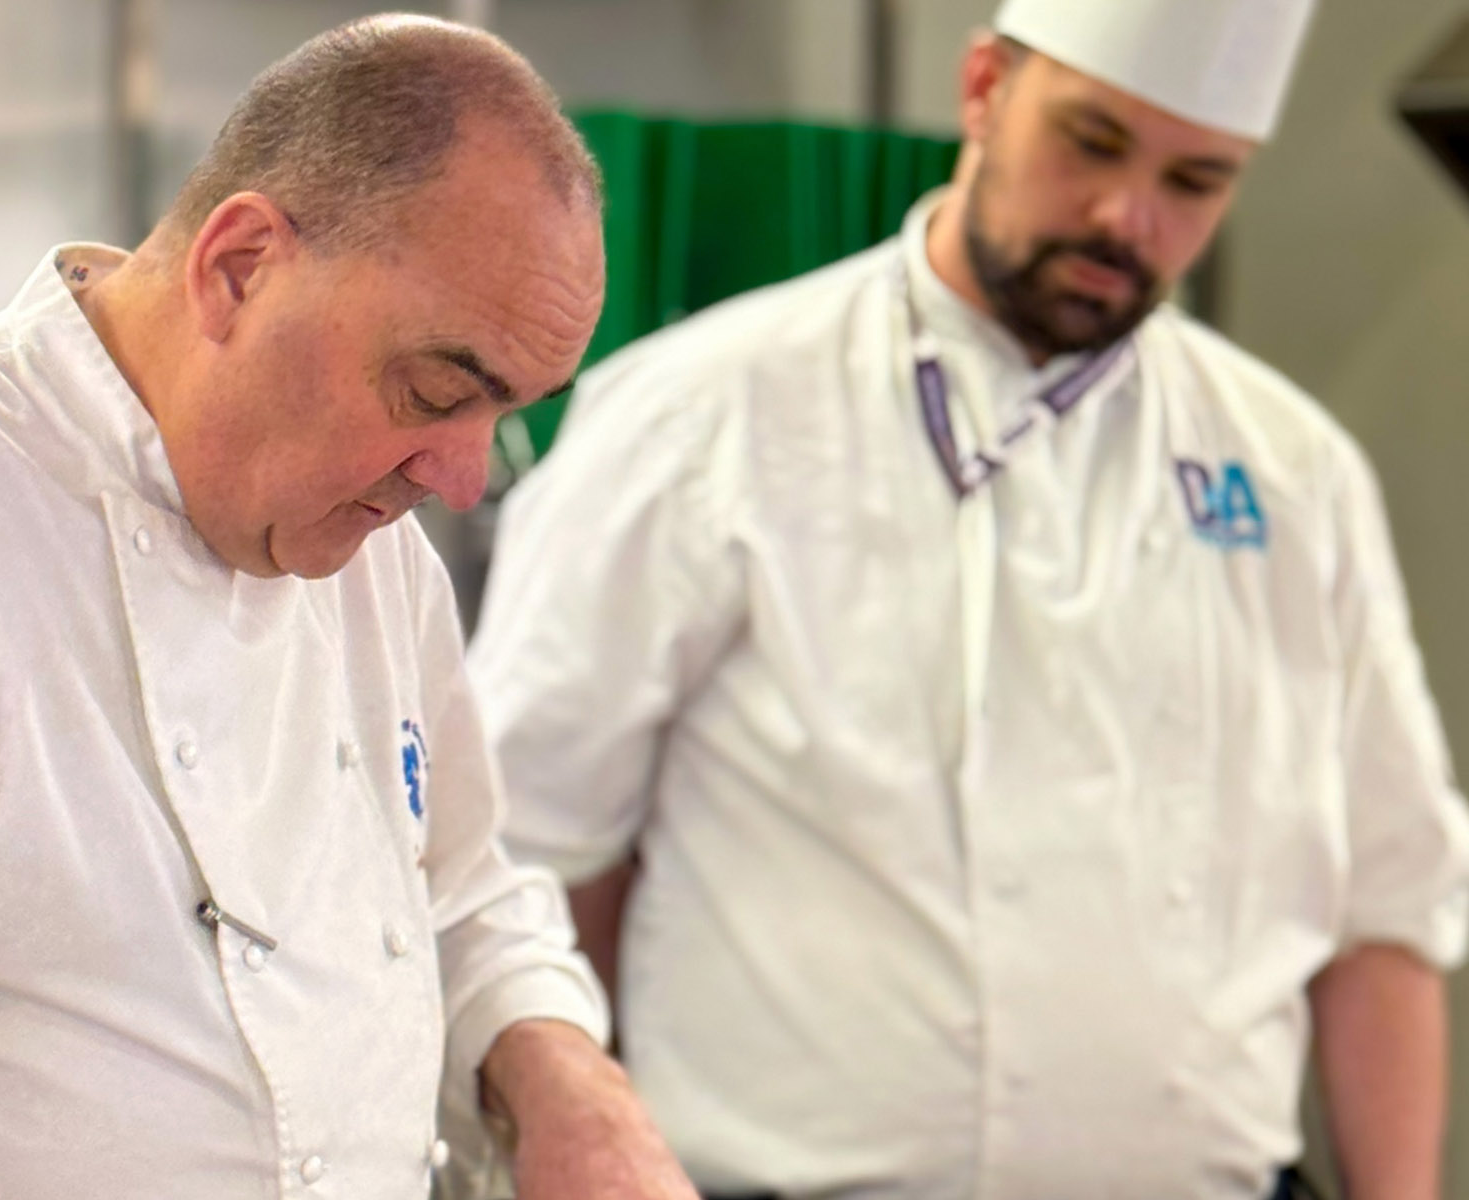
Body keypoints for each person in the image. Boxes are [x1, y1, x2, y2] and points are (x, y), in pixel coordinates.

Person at [0, 15, 697, 1200]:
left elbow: (457, 889)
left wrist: (563, 1076)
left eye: (505, 414)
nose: (462, 476)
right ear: (239, 267)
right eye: (436, 390)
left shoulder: (372, 551)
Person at [470, 1, 1469, 1197]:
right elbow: (528, 857)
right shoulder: (701, 419)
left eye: (1195, 181)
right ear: (987, 86)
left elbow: (1387, 919)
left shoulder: (1294, 475)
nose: (1126, 217)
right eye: (1091, 142)